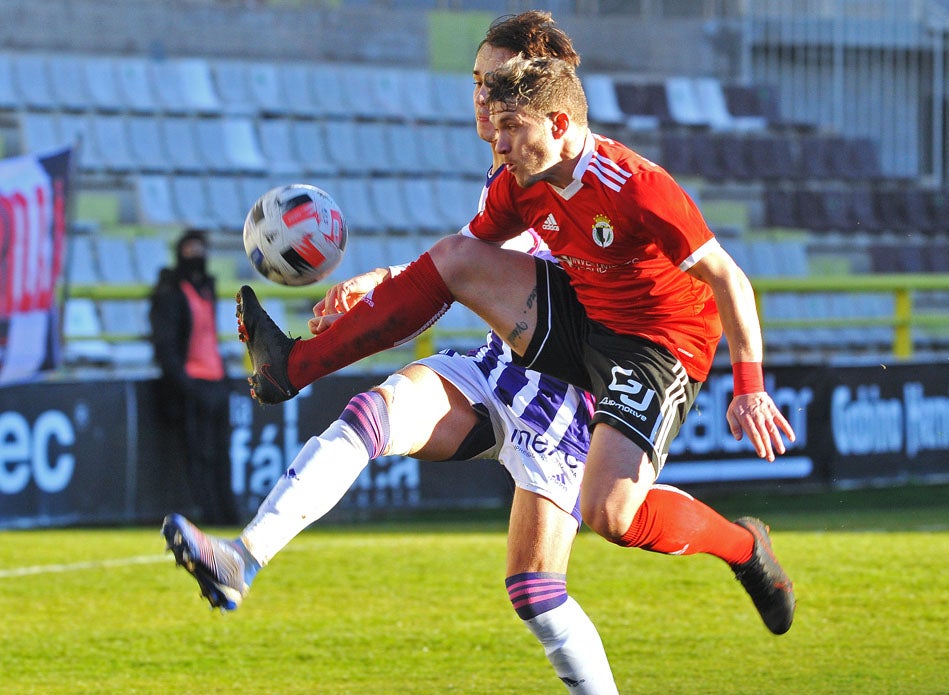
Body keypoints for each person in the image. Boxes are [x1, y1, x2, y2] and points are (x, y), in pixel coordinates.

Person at [231, 51, 798, 635]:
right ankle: (293, 366)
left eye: (508, 127)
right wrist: (382, 280)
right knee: (455, 259)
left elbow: (730, 278)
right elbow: (456, 261)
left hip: (655, 342)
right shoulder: (518, 183)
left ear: (556, 124)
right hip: (580, 312)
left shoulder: (639, 187)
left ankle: (742, 547)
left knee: (610, 514)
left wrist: (749, 388)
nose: (496, 143)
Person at [164, 13, 619, 694]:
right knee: (371, 412)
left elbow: (478, 267)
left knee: (536, 594)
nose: (480, 94)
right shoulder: (506, 170)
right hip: (497, 367)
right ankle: (242, 557)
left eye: (493, 80)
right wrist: (384, 283)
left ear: (533, 90)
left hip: (560, 392)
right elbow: (465, 255)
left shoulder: (556, 162)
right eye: (474, 80)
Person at [150, 228, 237, 525]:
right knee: (200, 455)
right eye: (191, 250)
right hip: (194, 382)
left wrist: (223, 379)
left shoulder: (206, 289)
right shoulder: (172, 292)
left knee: (222, 454)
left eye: (200, 250)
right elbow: (166, 345)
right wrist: (184, 384)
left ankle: (228, 514)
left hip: (214, 380)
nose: (196, 256)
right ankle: (210, 515)